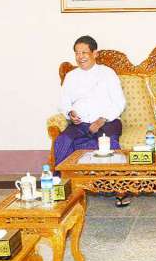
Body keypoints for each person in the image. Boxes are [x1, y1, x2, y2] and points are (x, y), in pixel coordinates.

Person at [54, 35, 127, 206]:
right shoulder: (71, 76)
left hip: (106, 122)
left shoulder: (107, 73)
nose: (80, 57)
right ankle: (60, 188)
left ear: (95, 53)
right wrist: (70, 112)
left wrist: (101, 120)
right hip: (80, 123)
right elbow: (63, 102)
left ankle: (120, 190)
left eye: (84, 53)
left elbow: (119, 102)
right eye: (77, 53)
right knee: (63, 141)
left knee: (109, 144)